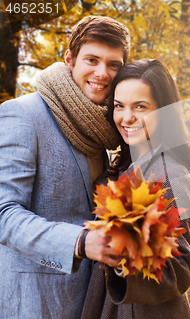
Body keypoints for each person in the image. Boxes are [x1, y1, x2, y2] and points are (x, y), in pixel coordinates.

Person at [0, 16, 130, 318]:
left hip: (91, 302)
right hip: (33, 304)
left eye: (114, 64)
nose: (103, 73)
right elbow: (4, 213)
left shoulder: (105, 130)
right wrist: (80, 242)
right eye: (92, 60)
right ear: (69, 59)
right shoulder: (22, 114)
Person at [81, 59, 190, 319]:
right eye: (119, 106)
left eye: (140, 106)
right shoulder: (125, 168)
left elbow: (181, 267)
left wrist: (117, 248)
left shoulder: (169, 173)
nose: (127, 117)